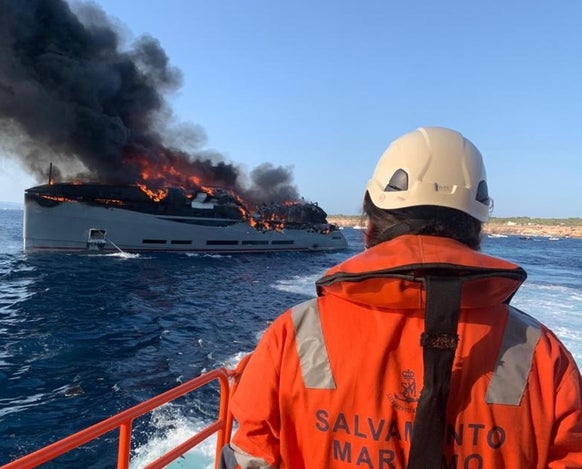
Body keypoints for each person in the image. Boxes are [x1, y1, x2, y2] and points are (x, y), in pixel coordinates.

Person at [220, 127, 582, 468]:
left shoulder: (293, 336)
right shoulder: (543, 354)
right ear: (477, 230)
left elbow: (252, 455)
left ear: (370, 227)